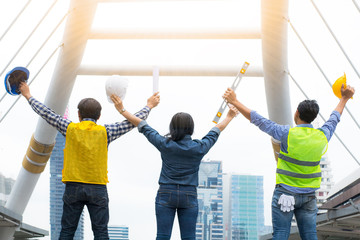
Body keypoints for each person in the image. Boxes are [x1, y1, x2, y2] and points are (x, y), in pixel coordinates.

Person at [19, 82, 160, 240]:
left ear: (78, 115)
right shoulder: (106, 132)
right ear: (99, 116)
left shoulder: (69, 128)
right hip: (98, 187)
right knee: (100, 232)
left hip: (73, 187)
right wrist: (148, 106)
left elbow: (47, 113)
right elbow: (132, 122)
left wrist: (28, 95)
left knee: (66, 232)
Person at [223, 84, 355, 240]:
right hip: (309, 197)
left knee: (280, 235)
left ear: (296, 113)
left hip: (285, 194)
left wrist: (235, 101)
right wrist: (344, 98)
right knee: (310, 236)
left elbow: (259, 120)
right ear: (314, 117)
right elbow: (334, 118)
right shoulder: (322, 135)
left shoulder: (286, 133)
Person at [110, 94, 237, 240]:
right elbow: (215, 130)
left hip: (166, 192)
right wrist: (229, 116)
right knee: (189, 237)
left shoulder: (165, 144)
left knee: (163, 236)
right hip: (189, 194)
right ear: (191, 128)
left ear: (172, 127)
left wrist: (122, 110)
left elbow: (143, 125)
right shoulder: (199, 147)